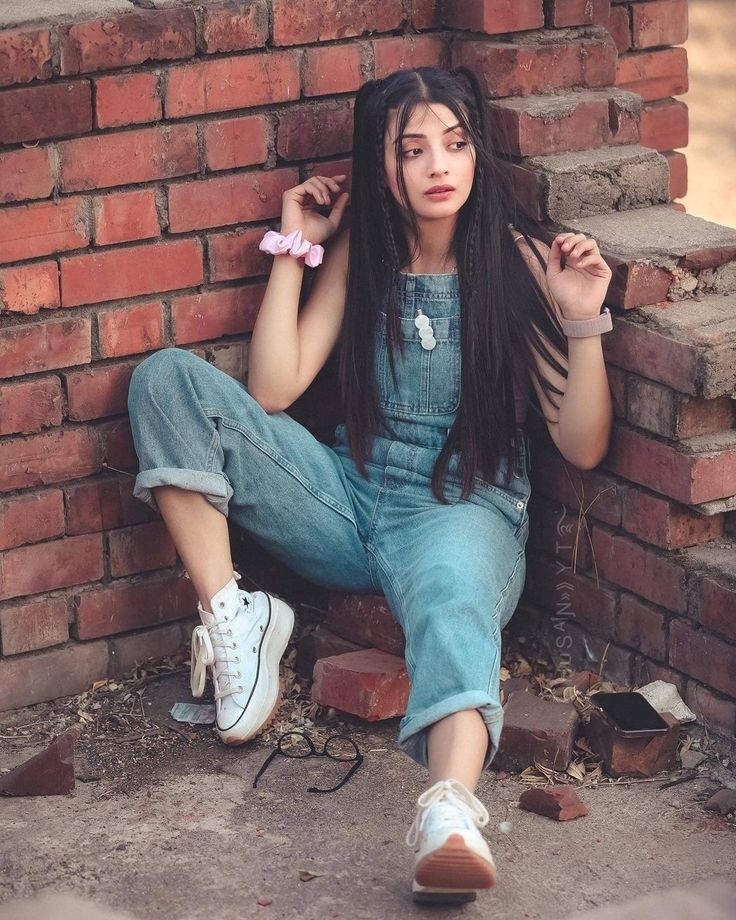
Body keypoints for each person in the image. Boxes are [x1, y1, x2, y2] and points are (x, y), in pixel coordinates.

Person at [127, 65, 613, 904]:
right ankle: (236, 616)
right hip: (350, 499)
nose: (438, 166)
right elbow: (273, 387)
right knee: (167, 380)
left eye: (455, 145)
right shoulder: (365, 254)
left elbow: (583, 445)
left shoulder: (520, 262)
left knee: (455, 599)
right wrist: (296, 244)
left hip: (464, 513)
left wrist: (582, 318)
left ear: (477, 153)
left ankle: (450, 811)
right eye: (413, 149)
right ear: (379, 164)